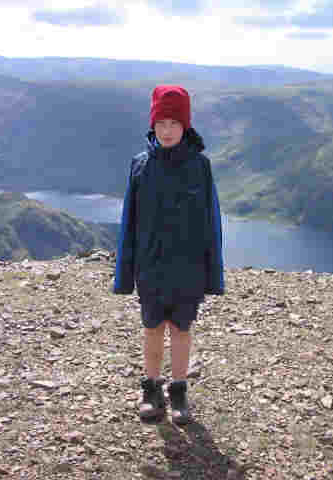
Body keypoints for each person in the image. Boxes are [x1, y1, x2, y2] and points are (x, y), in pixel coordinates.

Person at [113, 85, 224, 424]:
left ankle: (178, 393)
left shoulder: (199, 166)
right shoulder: (141, 165)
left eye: (174, 123)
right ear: (153, 124)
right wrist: (125, 273)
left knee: (181, 329)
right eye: (161, 122)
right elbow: (128, 221)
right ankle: (150, 389)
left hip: (188, 266)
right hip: (150, 264)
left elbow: (211, 220)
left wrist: (212, 273)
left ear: (185, 125)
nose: (167, 130)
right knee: (152, 327)